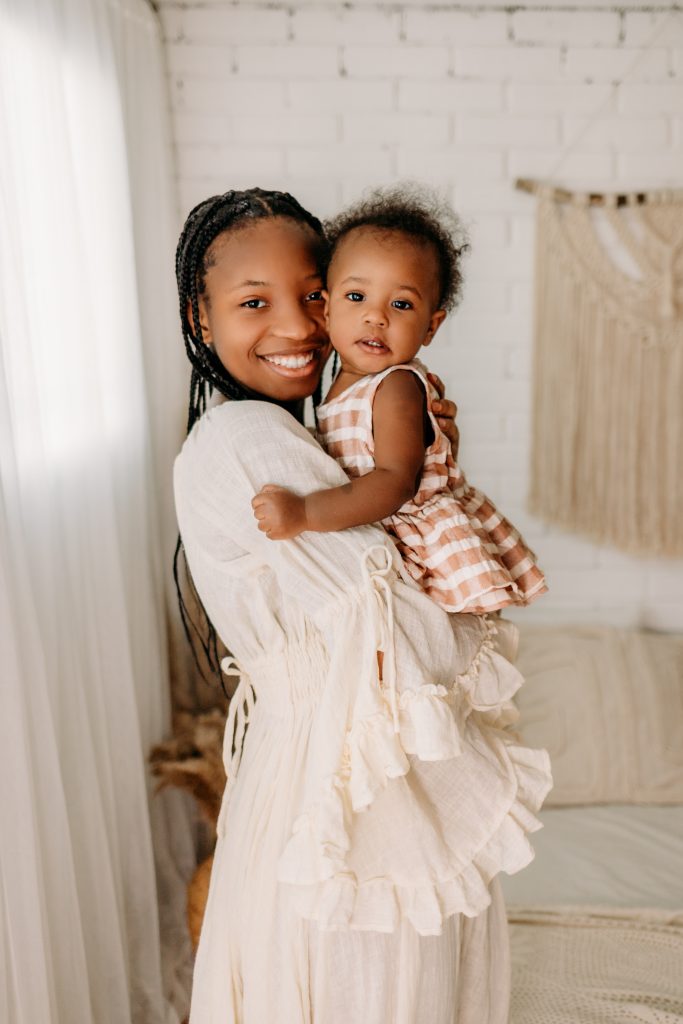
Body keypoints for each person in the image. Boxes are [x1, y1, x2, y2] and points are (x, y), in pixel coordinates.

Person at [172, 187, 553, 1023]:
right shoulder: (249, 442)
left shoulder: (322, 433)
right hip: (347, 777)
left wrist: (413, 460)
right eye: (251, 303)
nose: (300, 325)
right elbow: (410, 629)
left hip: (330, 760)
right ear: (201, 319)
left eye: (314, 293)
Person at [252, 186, 547, 616]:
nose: (377, 316)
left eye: (402, 304)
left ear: (431, 326)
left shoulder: (395, 386)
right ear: (328, 309)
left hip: (422, 548)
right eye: (357, 297)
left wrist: (305, 511)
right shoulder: (345, 382)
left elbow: (394, 482)